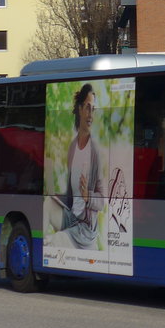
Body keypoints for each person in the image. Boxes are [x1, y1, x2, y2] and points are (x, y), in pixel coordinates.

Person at [48, 83, 105, 249]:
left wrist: (88, 196)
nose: (90, 115)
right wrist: (56, 195)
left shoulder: (95, 152)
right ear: (80, 109)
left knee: (56, 241)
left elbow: (102, 202)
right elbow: (72, 197)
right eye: (88, 107)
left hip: (85, 227)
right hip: (71, 218)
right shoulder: (72, 147)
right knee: (46, 203)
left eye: (93, 109)